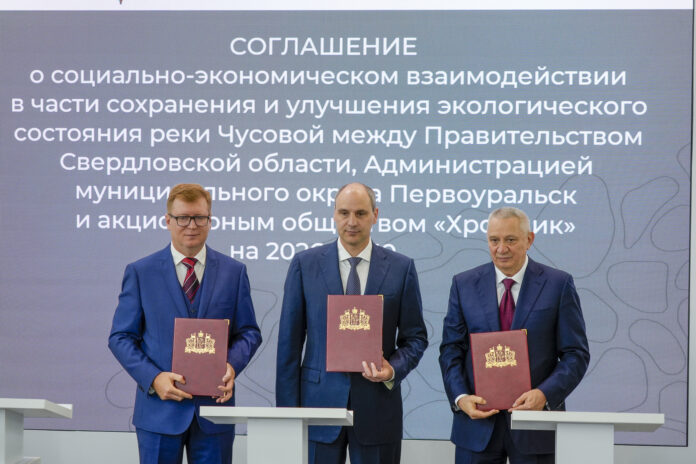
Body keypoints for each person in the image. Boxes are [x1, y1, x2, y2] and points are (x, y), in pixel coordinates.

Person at [109, 183, 262, 464]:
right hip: (159, 411)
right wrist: (154, 378)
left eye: (199, 217)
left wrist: (231, 365)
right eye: (182, 218)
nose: (191, 225)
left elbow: (249, 332)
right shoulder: (141, 272)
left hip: (214, 413)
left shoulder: (234, 272)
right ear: (167, 220)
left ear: (210, 221)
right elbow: (120, 337)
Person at [276, 182, 428, 464]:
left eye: (360, 213)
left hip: (377, 409)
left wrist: (392, 369)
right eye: (344, 213)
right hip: (317, 407)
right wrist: (287, 413)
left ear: (375, 215)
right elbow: (289, 343)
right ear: (334, 214)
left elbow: (416, 337)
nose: (352, 222)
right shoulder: (305, 265)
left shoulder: (401, 268)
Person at [439, 206, 590, 464]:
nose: (501, 249)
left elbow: (575, 354)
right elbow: (451, 350)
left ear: (529, 239)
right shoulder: (463, 284)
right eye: (494, 240)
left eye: (510, 240)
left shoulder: (558, 284)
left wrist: (544, 395)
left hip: (536, 426)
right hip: (477, 426)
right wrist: (461, 398)